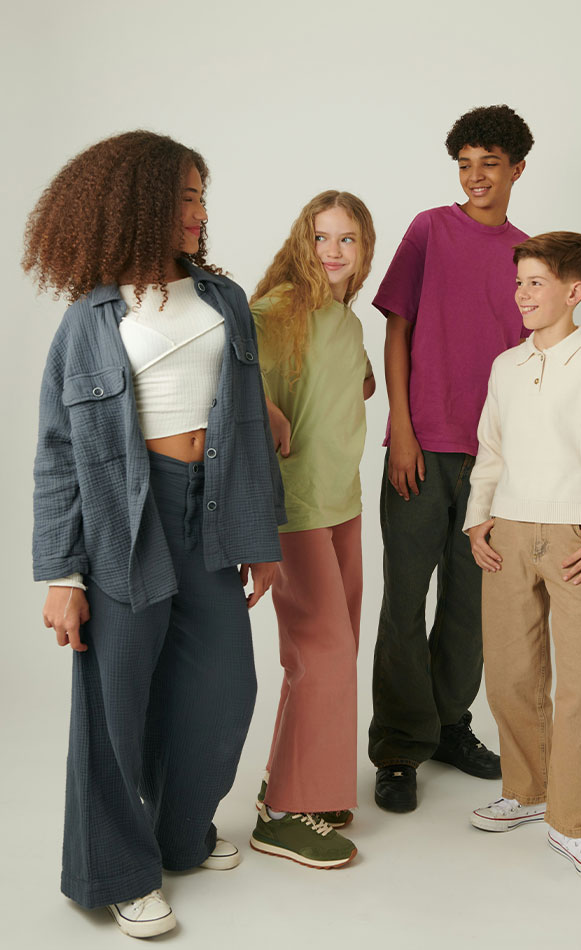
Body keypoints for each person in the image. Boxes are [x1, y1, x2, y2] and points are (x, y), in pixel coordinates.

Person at [24, 131, 285, 937]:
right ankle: (117, 872)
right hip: (126, 518)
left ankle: (179, 835)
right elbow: (57, 452)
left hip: (213, 512)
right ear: (138, 206)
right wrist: (62, 575)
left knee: (226, 689)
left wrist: (259, 534)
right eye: (183, 198)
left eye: (202, 197)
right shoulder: (90, 318)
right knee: (115, 701)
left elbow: (247, 418)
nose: (199, 213)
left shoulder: (223, 300)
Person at [465, 232, 581, 888]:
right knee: (508, 675)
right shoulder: (506, 367)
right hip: (508, 534)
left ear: (574, 291)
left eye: (536, 283)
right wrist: (477, 520)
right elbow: (491, 449)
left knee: (577, 685)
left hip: (578, 541)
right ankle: (528, 790)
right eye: (519, 283)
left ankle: (574, 825)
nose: (522, 294)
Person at [369, 104, 534, 812]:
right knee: (405, 601)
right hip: (422, 447)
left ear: (517, 169)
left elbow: (530, 362)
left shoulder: (529, 255)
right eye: (464, 165)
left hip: (494, 461)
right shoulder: (429, 229)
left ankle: (448, 726)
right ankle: (399, 746)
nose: (475, 177)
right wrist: (402, 430)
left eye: (489, 164)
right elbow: (397, 331)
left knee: (472, 606)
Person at [248, 191, 376, 868]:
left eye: (347, 239)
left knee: (331, 654)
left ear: (364, 249)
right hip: (294, 512)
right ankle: (285, 813)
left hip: (342, 506)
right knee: (322, 654)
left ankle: (298, 780)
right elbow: (227, 378)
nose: (333, 251)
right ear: (303, 241)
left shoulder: (349, 323)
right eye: (322, 237)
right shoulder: (275, 313)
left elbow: (352, 387)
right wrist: (263, 403)